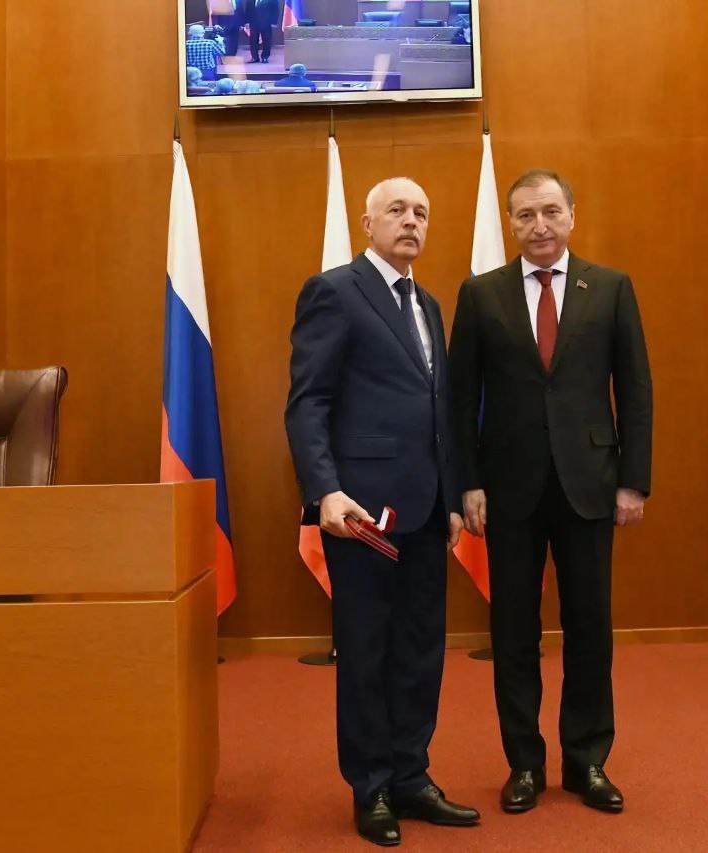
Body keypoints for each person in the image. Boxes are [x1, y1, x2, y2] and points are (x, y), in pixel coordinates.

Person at [448, 169, 653, 816]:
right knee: (513, 632)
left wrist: (633, 480)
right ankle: (524, 763)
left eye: (550, 212)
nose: (539, 225)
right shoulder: (480, 294)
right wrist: (467, 482)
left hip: (590, 484)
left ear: (571, 215)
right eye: (525, 215)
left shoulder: (611, 287)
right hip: (507, 488)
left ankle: (587, 759)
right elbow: (459, 400)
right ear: (511, 223)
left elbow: (636, 390)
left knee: (590, 626)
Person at [285, 177, 481, 846]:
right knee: (367, 651)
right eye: (396, 210)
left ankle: (411, 775)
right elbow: (307, 402)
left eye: (421, 212)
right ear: (367, 223)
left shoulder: (429, 303)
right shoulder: (334, 292)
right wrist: (325, 490)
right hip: (361, 512)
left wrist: (451, 496)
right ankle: (370, 786)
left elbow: (439, 410)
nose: (411, 221)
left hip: (425, 510)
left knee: (421, 651)